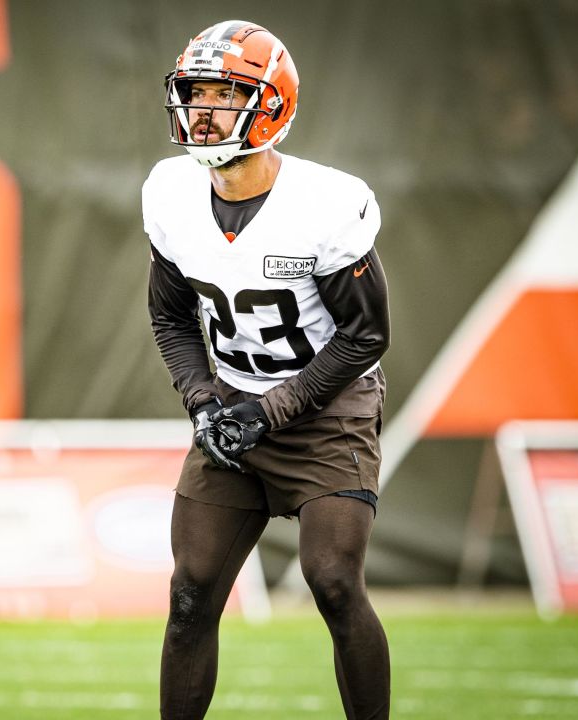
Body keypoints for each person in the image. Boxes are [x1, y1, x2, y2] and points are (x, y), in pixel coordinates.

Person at [143, 20, 392, 720]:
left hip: (326, 406)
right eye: (196, 94)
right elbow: (170, 318)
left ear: (271, 104)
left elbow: (366, 333)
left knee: (334, 581)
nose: (202, 111)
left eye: (224, 94)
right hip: (231, 400)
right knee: (191, 592)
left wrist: (273, 410)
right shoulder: (169, 193)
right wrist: (202, 403)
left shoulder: (327, 203)